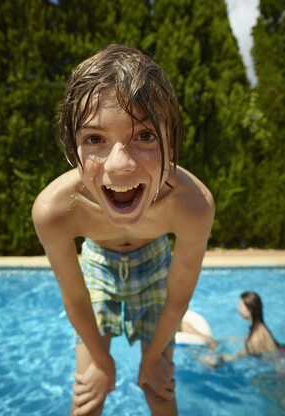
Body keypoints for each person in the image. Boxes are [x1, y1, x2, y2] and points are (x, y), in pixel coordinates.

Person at [32, 44, 215, 416]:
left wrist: (152, 358)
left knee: (159, 390)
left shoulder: (192, 205)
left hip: (154, 261)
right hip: (98, 263)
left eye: (145, 135)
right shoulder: (55, 211)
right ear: (72, 148)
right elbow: (76, 299)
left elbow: (178, 297)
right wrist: (101, 361)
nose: (119, 165)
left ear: (172, 144)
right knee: (88, 396)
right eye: (94, 139)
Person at [222, 291, 284, 362]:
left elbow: (262, 361)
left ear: (249, 310)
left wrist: (231, 358)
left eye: (241, 306)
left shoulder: (255, 338)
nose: (238, 308)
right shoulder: (259, 326)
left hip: (282, 370)